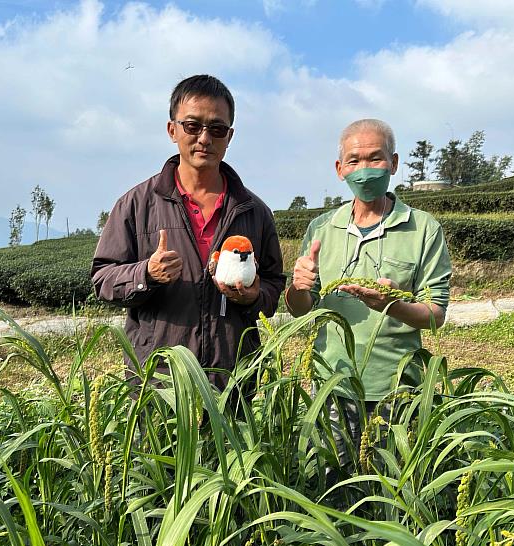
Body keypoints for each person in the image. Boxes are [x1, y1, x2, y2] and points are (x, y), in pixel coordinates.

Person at [91, 74, 286, 390]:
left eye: (217, 129)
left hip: (232, 384)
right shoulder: (136, 205)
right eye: (192, 126)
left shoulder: (254, 211)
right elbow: (102, 278)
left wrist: (253, 297)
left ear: (230, 136)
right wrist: (146, 273)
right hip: (160, 384)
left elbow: (274, 284)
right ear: (172, 130)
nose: (205, 138)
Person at [285, 118, 451, 470]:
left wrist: (393, 305)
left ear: (393, 163)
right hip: (332, 386)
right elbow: (302, 309)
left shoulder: (423, 229)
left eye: (375, 159)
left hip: (397, 390)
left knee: (393, 489)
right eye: (354, 160)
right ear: (339, 169)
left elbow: (436, 314)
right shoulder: (321, 228)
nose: (364, 170)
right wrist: (298, 287)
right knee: (331, 485)